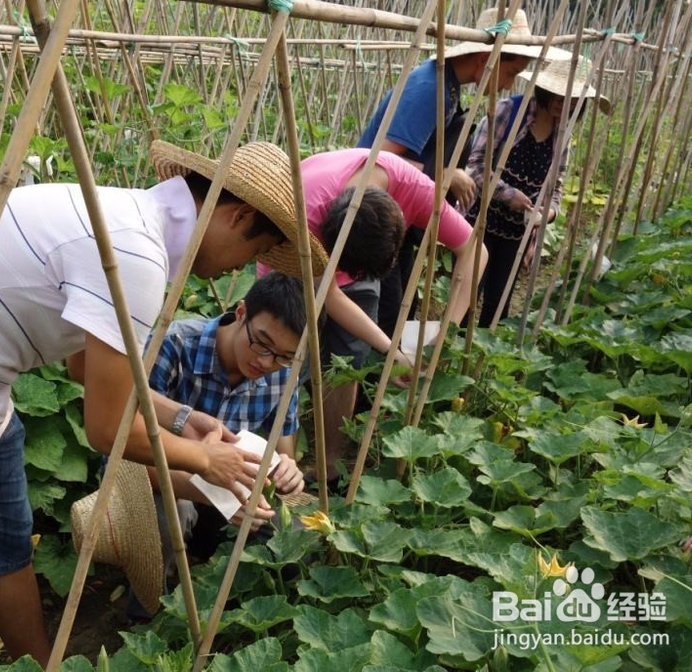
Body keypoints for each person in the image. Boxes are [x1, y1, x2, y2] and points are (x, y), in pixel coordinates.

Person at [0, 139, 327, 672]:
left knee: (6, 549)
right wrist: (208, 461)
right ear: (238, 216)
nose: (242, 268)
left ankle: (42, 665)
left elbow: (83, 370)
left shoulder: (129, 224)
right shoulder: (134, 253)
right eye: (254, 254)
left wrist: (184, 419)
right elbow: (107, 431)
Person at [259, 148, 487, 486]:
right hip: (295, 269)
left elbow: (475, 250)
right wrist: (392, 350)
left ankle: (330, 468)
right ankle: (283, 474)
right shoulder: (307, 213)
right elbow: (331, 294)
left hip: (351, 250)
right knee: (283, 367)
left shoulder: (414, 190)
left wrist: (444, 333)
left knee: (348, 362)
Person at [126, 271, 307, 618]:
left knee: (299, 526)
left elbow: (284, 446)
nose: (267, 362)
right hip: (160, 481)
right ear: (241, 313)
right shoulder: (173, 344)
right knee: (171, 519)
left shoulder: (284, 370)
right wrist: (208, 491)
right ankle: (148, 613)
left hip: (230, 485)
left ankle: (242, 609)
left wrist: (289, 468)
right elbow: (128, 455)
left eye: (283, 356)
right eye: (262, 344)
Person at [358, 8, 540, 336]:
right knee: (383, 315)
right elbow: (379, 161)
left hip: (395, 213)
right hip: (370, 216)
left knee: (399, 307)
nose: (509, 84)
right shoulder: (431, 87)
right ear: (487, 59)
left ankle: (381, 379)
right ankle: (372, 383)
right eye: (511, 72)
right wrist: (446, 174)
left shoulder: (448, 86)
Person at [465, 56, 610, 328]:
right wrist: (508, 194)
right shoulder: (509, 112)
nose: (563, 101)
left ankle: (478, 364)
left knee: (499, 304)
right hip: (481, 221)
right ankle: (448, 355)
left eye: (573, 98)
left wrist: (550, 213)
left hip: (518, 233)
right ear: (545, 89)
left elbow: (556, 187)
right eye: (558, 93)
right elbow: (473, 167)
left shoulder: (561, 134)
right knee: (466, 296)